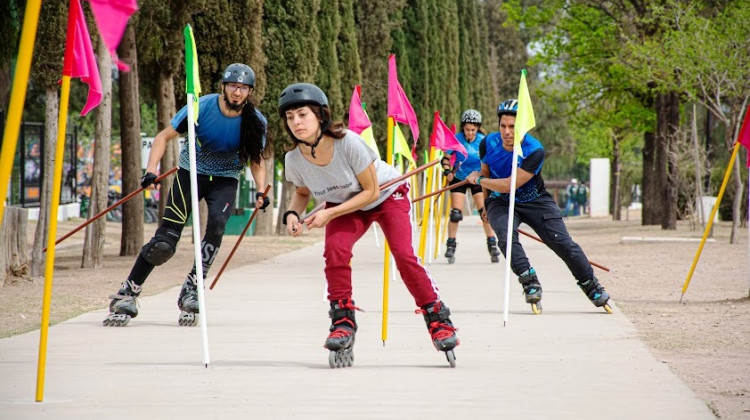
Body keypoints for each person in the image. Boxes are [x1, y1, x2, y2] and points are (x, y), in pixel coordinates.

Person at [278, 83, 459, 367]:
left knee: (403, 255)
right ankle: (343, 321)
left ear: (320, 115)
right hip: (346, 205)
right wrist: (291, 214)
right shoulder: (293, 159)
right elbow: (301, 192)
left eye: (302, 114)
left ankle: (438, 318)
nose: (296, 122)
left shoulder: (347, 142)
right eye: (290, 118)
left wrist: (327, 214)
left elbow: (371, 192)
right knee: (335, 251)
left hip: (385, 196)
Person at [103, 63, 271, 327]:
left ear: (249, 92)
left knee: (216, 226)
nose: (237, 93)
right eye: (233, 86)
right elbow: (162, 137)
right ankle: (128, 292)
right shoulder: (200, 107)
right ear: (224, 87)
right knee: (164, 243)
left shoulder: (255, 121)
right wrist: (150, 171)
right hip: (190, 173)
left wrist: (261, 189)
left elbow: (257, 160)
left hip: (226, 179)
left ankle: (192, 287)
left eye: (243, 88)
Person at [465, 99, 611, 314]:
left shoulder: (534, 150)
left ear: (522, 127)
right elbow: (486, 173)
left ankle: (591, 285)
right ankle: (529, 280)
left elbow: (509, 184)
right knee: (505, 238)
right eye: (503, 126)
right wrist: (486, 202)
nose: (507, 132)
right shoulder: (488, 143)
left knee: (562, 244)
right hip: (501, 202)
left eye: (513, 127)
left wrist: (477, 182)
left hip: (535, 201)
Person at [442, 109, 500, 264]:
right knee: (455, 213)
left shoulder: (483, 140)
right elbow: (445, 159)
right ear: (463, 128)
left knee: (484, 212)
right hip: (459, 177)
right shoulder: (457, 139)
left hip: (477, 178)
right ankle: (451, 245)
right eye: (467, 129)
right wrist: (447, 171)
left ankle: (492, 244)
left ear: (478, 128)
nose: (470, 133)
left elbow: (491, 161)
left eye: (473, 129)